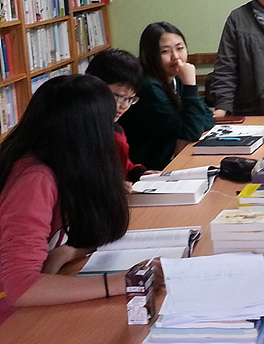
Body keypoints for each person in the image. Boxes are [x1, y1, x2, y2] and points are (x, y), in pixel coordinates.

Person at [0, 75, 159, 325]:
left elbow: (96, 231)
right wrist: (121, 281)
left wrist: (67, 252)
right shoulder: (35, 179)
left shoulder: (62, 166)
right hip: (14, 321)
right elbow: (21, 288)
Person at [119, 22, 214, 170]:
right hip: (146, 169)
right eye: (165, 51)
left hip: (171, 159)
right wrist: (190, 86)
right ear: (150, 55)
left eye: (180, 48)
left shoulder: (175, 77)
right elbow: (192, 131)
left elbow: (208, 118)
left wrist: (186, 131)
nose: (176, 57)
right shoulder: (148, 86)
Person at [86, 48, 159, 185]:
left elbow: (124, 166)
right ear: (93, 86)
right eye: (117, 96)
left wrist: (138, 173)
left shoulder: (115, 128)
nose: (124, 106)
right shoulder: (79, 131)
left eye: (130, 99)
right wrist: (112, 186)